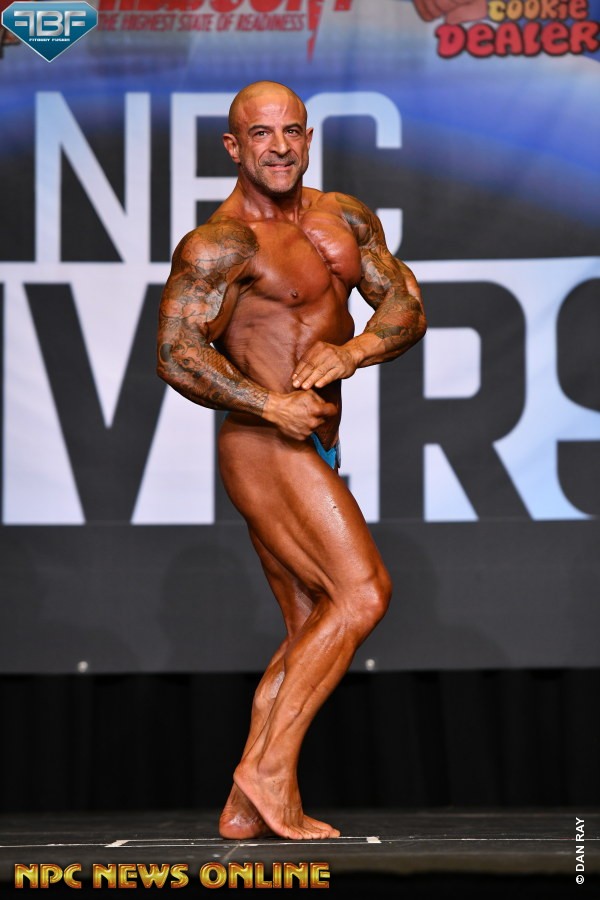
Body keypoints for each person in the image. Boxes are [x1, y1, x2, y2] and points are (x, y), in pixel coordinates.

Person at [157, 81, 426, 841]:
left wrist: (354, 350)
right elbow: (175, 352)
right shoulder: (221, 244)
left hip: (318, 440)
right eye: (260, 133)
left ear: (308, 138)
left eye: (291, 131)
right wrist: (269, 404)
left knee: (313, 622)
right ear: (233, 146)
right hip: (263, 441)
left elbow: (406, 304)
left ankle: (245, 806)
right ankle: (269, 772)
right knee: (363, 593)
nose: (278, 147)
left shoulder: (344, 217)